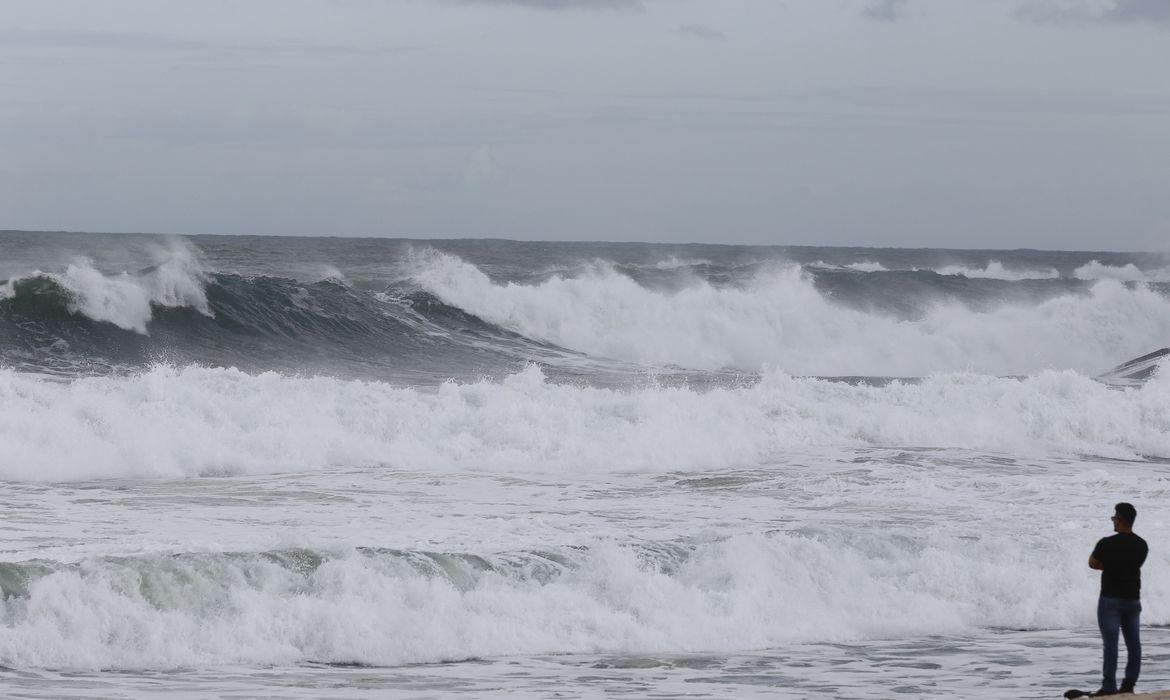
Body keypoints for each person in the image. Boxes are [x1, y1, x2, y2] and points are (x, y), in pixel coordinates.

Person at [1088, 502, 1148, 696]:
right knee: (1134, 644)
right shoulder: (1141, 544)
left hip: (1110, 600)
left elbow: (1092, 563)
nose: (1113, 521)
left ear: (1120, 519)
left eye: (1114, 517)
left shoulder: (1106, 543)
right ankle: (1129, 684)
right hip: (1133, 600)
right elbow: (1134, 565)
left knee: (1111, 644)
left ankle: (1109, 687)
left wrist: (1110, 566)